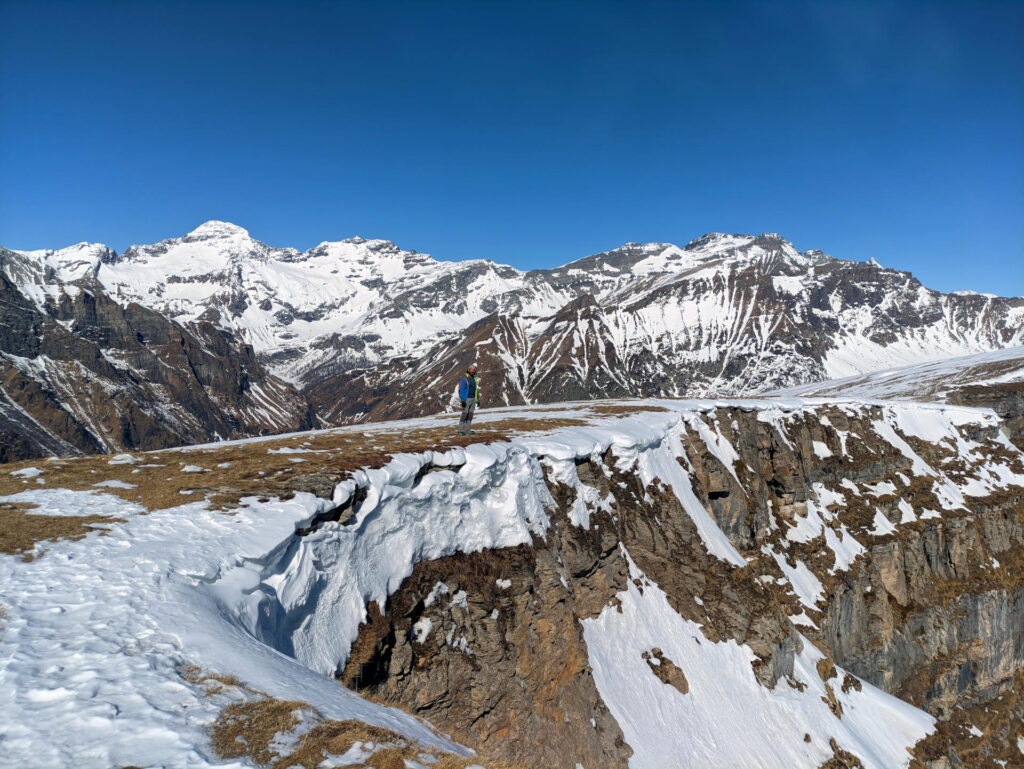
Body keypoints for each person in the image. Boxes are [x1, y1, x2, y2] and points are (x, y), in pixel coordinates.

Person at [458, 364, 480, 435]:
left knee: (470, 415)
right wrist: (463, 400)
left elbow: (476, 390)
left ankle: (468, 430)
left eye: (473, 370)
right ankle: (460, 430)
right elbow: (461, 390)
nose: (472, 371)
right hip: (466, 399)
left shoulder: (475, 378)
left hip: (473, 399)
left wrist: (478, 400)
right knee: (464, 414)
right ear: (468, 370)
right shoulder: (464, 378)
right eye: (471, 369)